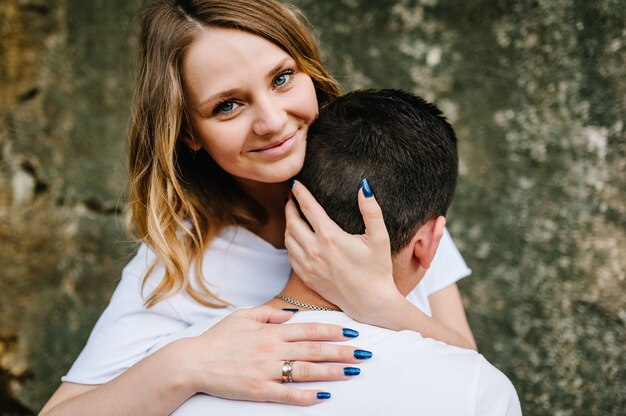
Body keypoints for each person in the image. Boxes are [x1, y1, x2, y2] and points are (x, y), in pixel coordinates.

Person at [40, 1, 475, 414]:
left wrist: (378, 303)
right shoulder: (177, 262)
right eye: (227, 105)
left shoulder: (381, 187)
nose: (272, 121)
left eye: (282, 78)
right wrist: (185, 365)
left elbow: (468, 371)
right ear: (188, 132)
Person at [152, 89, 522, 415]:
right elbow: (467, 360)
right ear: (428, 244)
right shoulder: (475, 389)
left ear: (294, 208)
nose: (271, 119)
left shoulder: (170, 373)